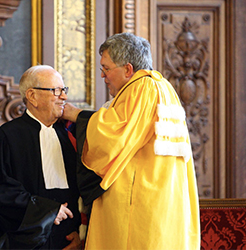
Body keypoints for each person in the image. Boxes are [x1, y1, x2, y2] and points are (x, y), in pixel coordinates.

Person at [62, 32, 200, 250]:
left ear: (127, 69)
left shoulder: (142, 88)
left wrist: (77, 115)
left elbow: (113, 134)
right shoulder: (164, 87)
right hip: (164, 197)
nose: (102, 75)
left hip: (138, 204)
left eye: (106, 68)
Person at [0, 65, 81, 249]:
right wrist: (49, 212)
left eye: (63, 90)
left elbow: (77, 190)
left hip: (66, 241)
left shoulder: (68, 136)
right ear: (32, 96)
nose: (64, 97)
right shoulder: (4, 138)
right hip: (25, 241)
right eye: (56, 91)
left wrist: (77, 233)